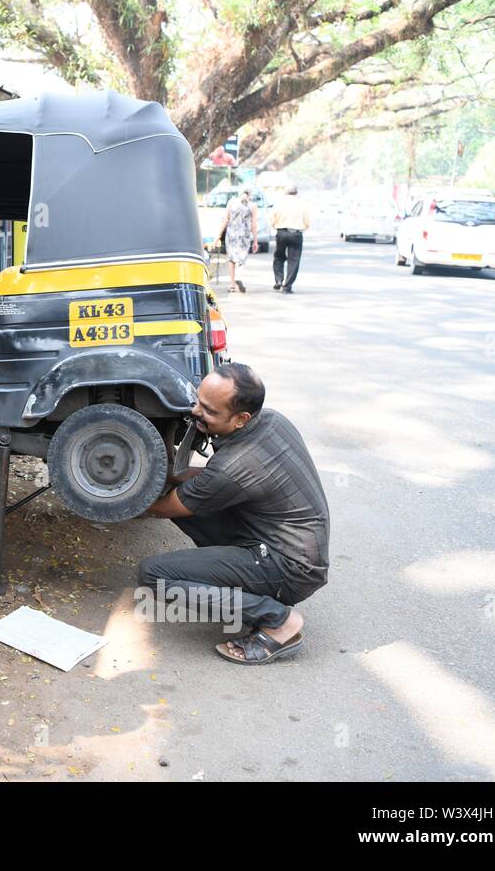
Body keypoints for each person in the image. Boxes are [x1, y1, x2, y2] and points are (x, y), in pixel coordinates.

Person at [137, 363, 329, 665]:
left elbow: (171, 506)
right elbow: (210, 481)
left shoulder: (236, 466)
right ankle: (247, 589)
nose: (196, 412)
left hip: (287, 569)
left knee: (155, 574)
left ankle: (278, 620)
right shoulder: (273, 422)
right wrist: (165, 473)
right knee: (180, 495)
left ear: (241, 419)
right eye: (198, 400)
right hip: (278, 542)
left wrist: (118, 496)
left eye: (209, 411)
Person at [269, 185, 311, 294]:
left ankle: (278, 280)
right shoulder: (302, 204)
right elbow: (307, 221)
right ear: (296, 193)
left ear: (285, 193)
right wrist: (304, 228)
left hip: (281, 232)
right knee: (294, 261)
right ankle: (287, 286)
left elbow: (272, 218)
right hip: (296, 233)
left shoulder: (279, 203)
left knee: (278, 257)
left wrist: (276, 227)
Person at [218, 188, 259, 293]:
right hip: (244, 236)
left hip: (231, 235)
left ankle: (232, 285)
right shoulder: (253, 206)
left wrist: (218, 236)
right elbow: (254, 225)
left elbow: (225, 220)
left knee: (231, 259)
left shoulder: (231, 202)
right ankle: (239, 276)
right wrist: (255, 241)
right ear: (250, 195)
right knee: (242, 257)